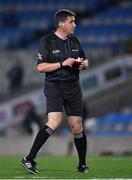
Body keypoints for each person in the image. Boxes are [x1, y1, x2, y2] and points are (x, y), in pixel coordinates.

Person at [20, 9, 89, 174]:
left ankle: (82, 165)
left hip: (73, 87)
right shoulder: (47, 41)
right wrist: (62, 64)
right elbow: (40, 67)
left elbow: (85, 59)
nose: (75, 25)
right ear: (61, 24)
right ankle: (28, 159)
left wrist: (84, 64)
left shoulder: (75, 41)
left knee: (76, 126)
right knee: (55, 122)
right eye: (72, 21)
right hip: (54, 86)